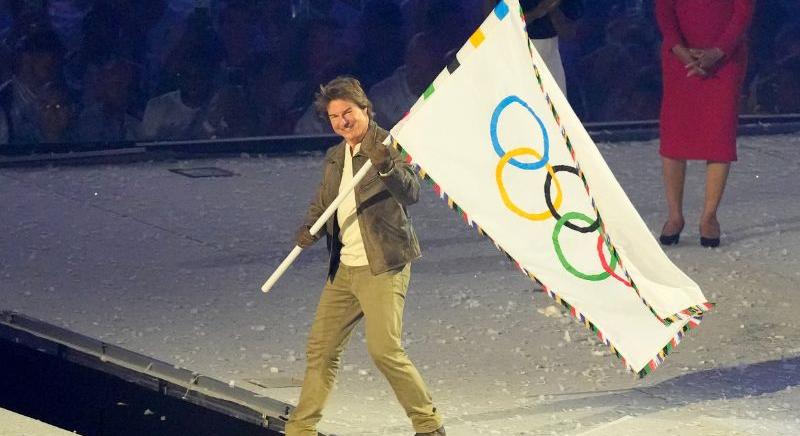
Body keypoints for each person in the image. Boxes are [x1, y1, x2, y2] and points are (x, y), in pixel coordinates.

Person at [285, 76, 445, 436]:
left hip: (383, 265)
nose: (342, 121)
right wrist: (310, 227)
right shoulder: (335, 156)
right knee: (321, 350)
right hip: (345, 269)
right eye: (334, 116)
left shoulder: (389, 145)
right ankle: (301, 430)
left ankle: (428, 424)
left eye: (348, 113)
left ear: (365, 109)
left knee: (383, 349)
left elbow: (412, 193)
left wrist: (386, 167)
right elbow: (325, 202)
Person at [655, 0, 755, 247]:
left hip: (726, 59)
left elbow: (743, 12)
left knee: (718, 134)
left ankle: (709, 217)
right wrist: (680, 51)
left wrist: (718, 52)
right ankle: (674, 215)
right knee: (674, 136)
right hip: (680, 59)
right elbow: (664, 11)